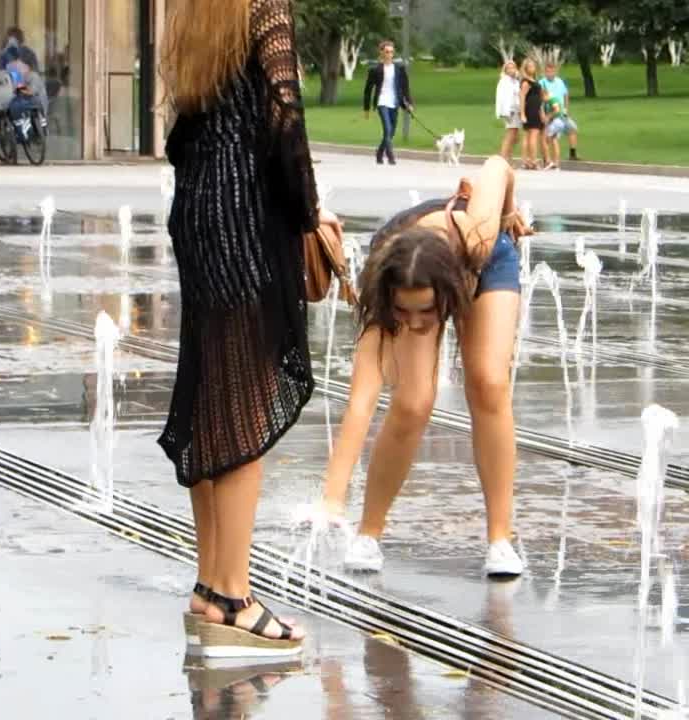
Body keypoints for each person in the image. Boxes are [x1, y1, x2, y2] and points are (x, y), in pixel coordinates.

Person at [160, 0, 337, 657]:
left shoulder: (194, 13)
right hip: (247, 220)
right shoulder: (263, 6)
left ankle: (211, 586)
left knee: (214, 400)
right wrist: (311, 214)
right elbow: (285, 119)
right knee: (245, 409)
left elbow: (181, 135)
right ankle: (235, 597)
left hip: (198, 213)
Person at [320, 155, 533, 578]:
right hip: (409, 260)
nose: (416, 324)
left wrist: (508, 213)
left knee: (489, 383)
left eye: (427, 313)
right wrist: (331, 500)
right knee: (413, 402)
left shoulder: (478, 236)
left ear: (450, 294)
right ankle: (368, 533)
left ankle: (500, 539)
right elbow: (361, 400)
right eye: (405, 312)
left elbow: (498, 165)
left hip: (485, 260)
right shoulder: (386, 279)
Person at [362, 40, 412, 166]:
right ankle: (391, 156)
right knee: (387, 129)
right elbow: (368, 90)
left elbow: (405, 87)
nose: (389, 54)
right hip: (382, 102)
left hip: (394, 102)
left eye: (391, 52)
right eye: (387, 52)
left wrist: (409, 103)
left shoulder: (399, 69)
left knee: (391, 132)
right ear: (381, 53)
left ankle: (379, 152)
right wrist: (366, 109)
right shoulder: (375, 70)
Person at [538, 63, 579, 161]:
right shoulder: (541, 83)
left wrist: (566, 109)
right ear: (545, 72)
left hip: (561, 113)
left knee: (572, 128)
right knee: (550, 136)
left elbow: (565, 95)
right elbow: (540, 99)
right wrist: (545, 115)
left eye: (552, 71)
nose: (550, 74)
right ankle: (547, 158)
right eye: (548, 72)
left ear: (555, 72)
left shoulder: (560, 81)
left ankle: (572, 154)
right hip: (550, 113)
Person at [519, 59, 544, 170]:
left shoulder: (534, 80)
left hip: (536, 108)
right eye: (530, 66)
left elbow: (540, 98)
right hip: (531, 109)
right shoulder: (526, 82)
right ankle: (532, 161)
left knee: (530, 136)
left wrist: (541, 111)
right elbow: (522, 97)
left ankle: (527, 161)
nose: (532, 68)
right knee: (532, 134)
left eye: (533, 66)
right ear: (525, 68)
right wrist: (522, 114)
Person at [495, 60, 522, 160]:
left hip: (517, 109)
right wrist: (506, 111)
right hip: (510, 111)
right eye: (509, 68)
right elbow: (503, 98)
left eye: (513, 68)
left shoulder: (515, 81)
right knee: (511, 134)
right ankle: (503, 158)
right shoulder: (504, 81)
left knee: (515, 136)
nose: (511, 70)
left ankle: (508, 157)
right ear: (505, 70)